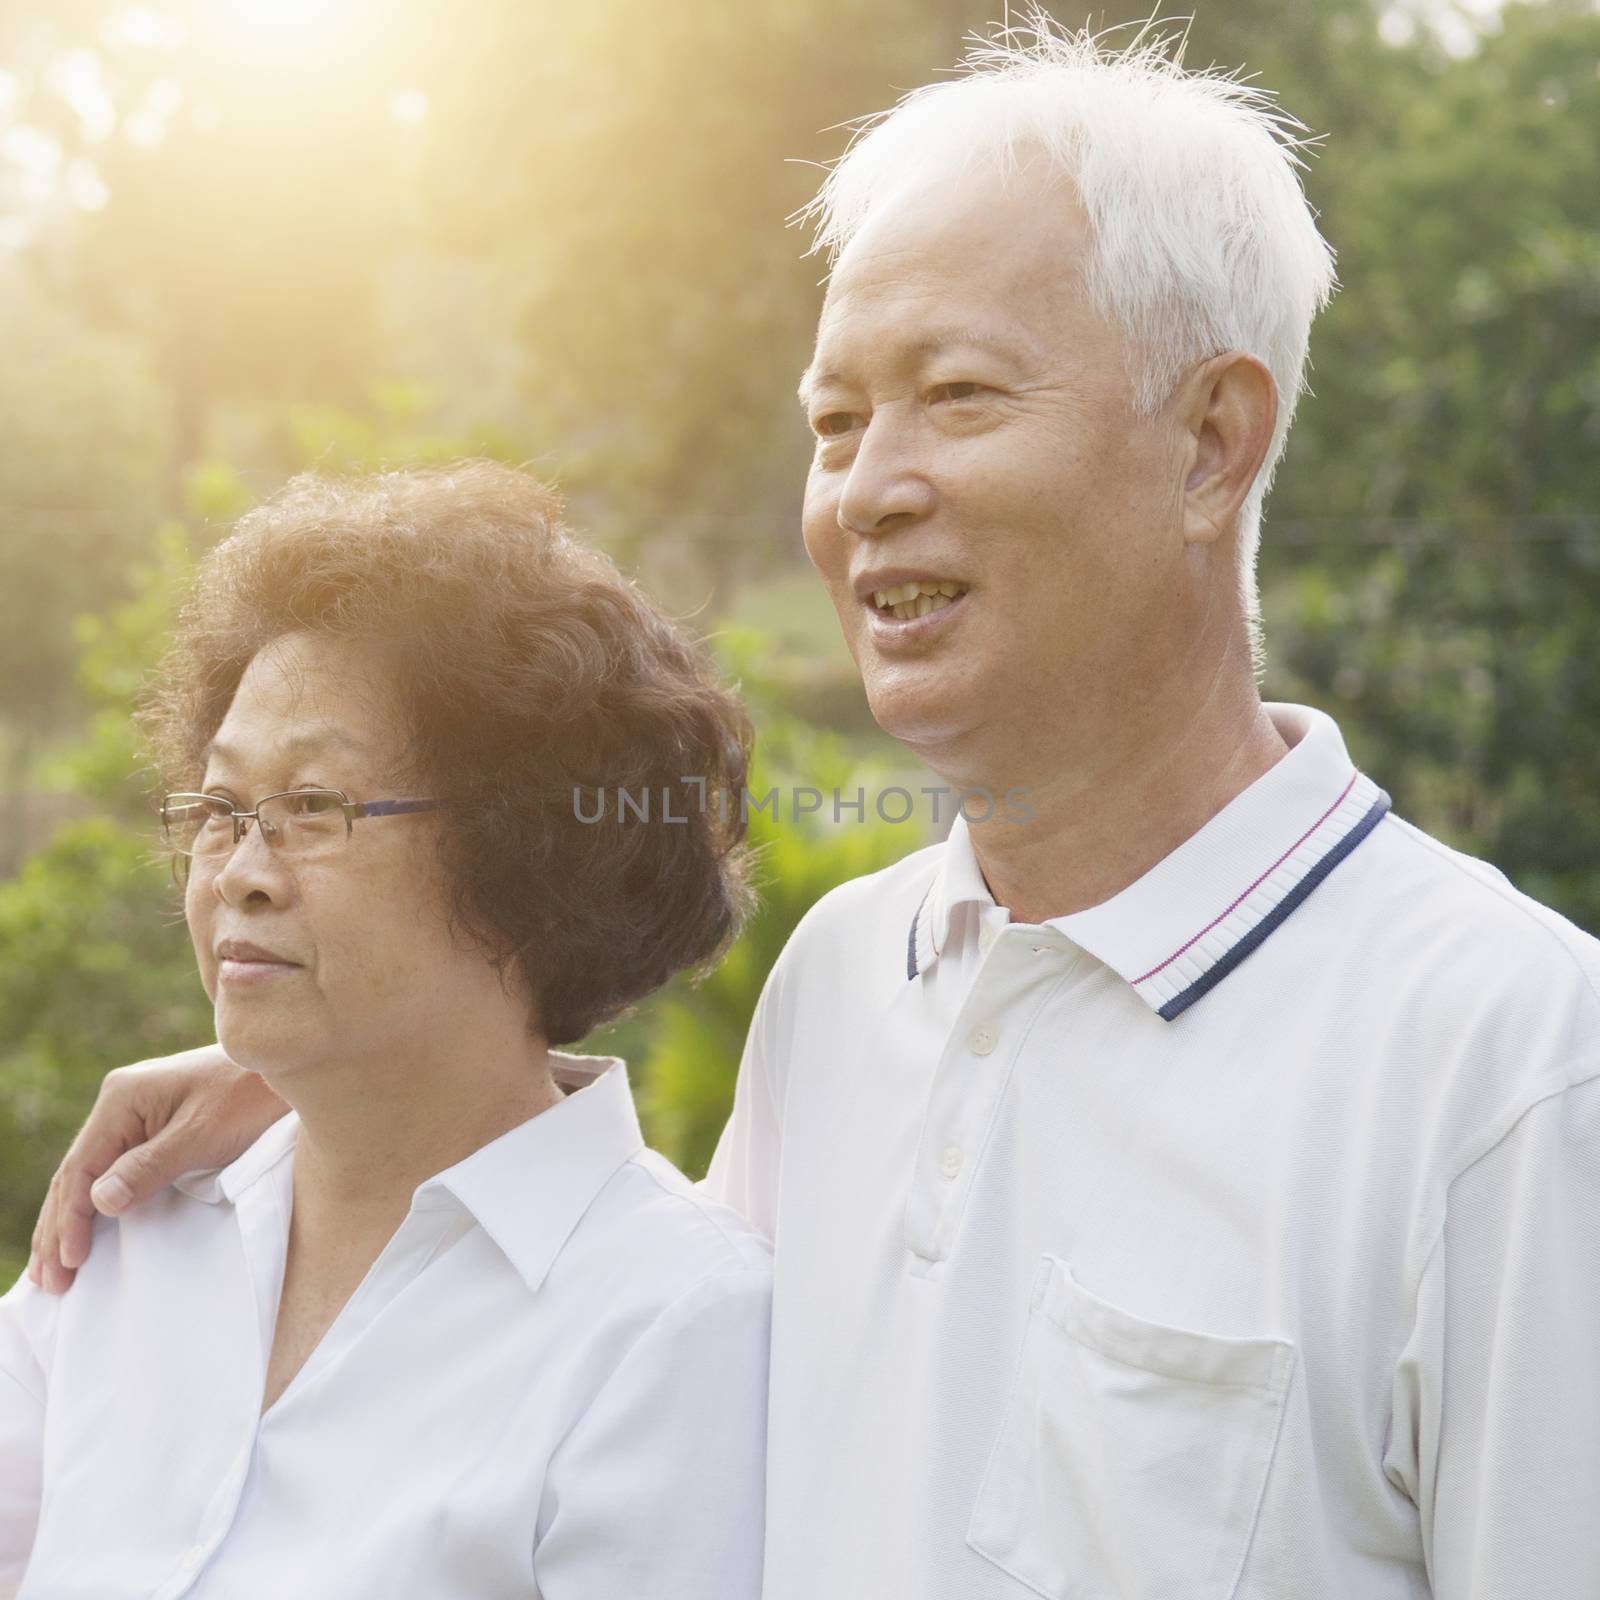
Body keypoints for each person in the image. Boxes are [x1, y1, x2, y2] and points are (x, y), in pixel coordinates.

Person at [23, 20, 1600, 1599]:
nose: (868, 489)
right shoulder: (848, 986)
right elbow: (631, 1330)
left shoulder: (1512, 1069)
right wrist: (340, 1094)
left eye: (958, 394)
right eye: (836, 422)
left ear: (1211, 445)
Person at [0, 463, 772, 1598]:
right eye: (218, 808)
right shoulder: (135, 1228)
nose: (239, 875)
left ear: (531, 857)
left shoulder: (672, 1324)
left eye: (315, 806)